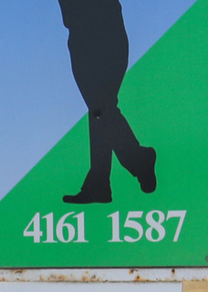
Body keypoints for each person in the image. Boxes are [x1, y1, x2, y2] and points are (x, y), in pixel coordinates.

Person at [58, 0, 156, 204]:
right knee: (100, 111)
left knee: (101, 108)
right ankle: (103, 181)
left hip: (101, 35)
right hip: (87, 37)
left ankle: (132, 164)